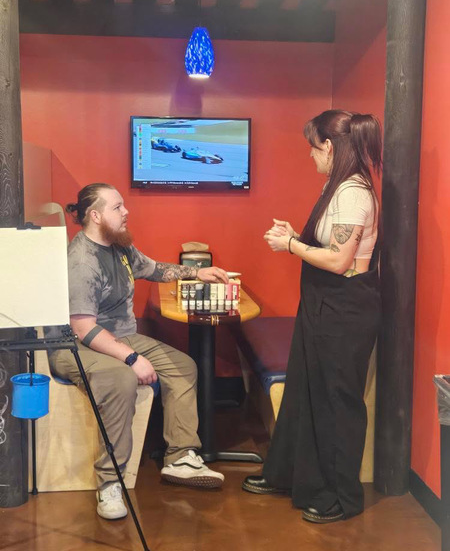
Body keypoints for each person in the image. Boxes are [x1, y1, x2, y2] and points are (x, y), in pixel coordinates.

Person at [48, 183, 229, 520]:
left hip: (118, 335)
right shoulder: (82, 261)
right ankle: (110, 482)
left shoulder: (119, 246)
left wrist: (197, 272)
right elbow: (83, 328)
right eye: (117, 207)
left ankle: (180, 457)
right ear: (96, 215)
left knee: (183, 366)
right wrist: (131, 358)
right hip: (76, 345)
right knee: (121, 379)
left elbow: (154, 269)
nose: (126, 211)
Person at [242, 110, 382, 524]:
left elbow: (339, 261)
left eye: (313, 147)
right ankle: (288, 475)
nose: (311, 156)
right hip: (323, 303)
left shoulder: (353, 193)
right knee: (304, 391)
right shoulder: (337, 186)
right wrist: (297, 237)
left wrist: (289, 245)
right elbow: (328, 246)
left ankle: (341, 496)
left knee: (338, 401)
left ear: (330, 147)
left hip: (345, 308)